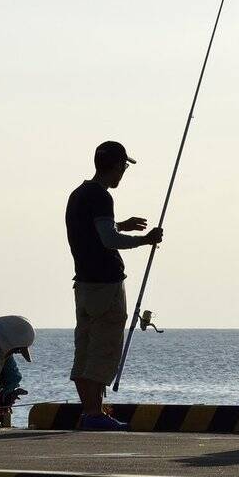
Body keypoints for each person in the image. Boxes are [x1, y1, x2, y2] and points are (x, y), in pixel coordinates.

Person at [65, 140, 163, 430]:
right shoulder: (101, 197)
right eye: (123, 167)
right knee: (103, 349)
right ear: (118, 166)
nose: (123, 173)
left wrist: (120, 224)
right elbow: (108, 240)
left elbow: (93, 231)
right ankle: (94, 414)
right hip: (105, 286)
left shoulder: (78, 194)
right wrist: (145, 240)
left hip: (83, 285)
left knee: (84, 350)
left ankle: (90, 411)